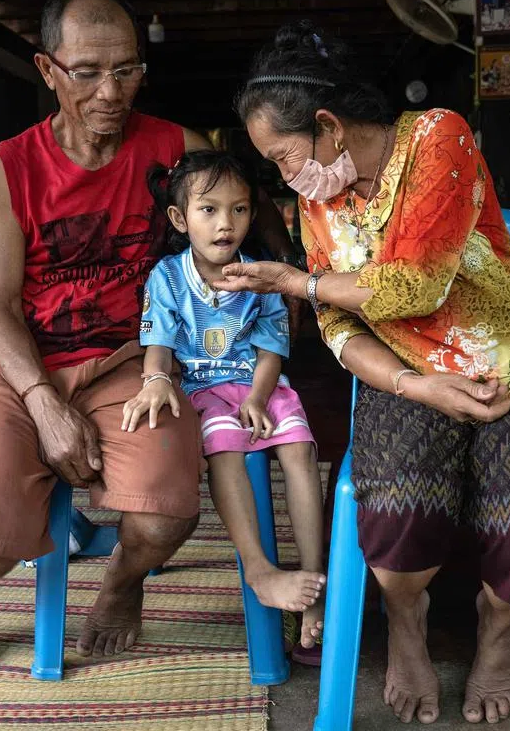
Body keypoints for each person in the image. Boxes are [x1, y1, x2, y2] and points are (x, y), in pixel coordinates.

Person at [216, 23, 510, 725]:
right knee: (393, 516)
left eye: (284, 157)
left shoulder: (436, 138)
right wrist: (415, 385)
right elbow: (338, 327)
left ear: (328, 128)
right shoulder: (315, 207)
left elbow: (414, 285)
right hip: (408, 377)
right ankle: (408, 626)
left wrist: (298, 285)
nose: (283, 176)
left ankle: (499, 631)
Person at [0, 0, 298, 677]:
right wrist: (44, 404)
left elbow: (249, 208)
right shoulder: (9, 168)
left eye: (126, 69)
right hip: (20, 369)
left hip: (134, 359)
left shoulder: (174, 146)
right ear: (47, 70)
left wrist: (290, 278)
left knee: (165, 512)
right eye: (87, 72)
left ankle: (121, 584)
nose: (110, 91)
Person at [122, 150, 328, 658]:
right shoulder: (167, 278)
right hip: (203, 390)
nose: (225, 224)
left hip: (261, 384)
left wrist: (259, 397)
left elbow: (271, 348)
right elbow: (160, 343)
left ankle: (315, 582)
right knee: (226, 446)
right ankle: (259, 567)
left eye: (239, 210)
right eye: (209, 210)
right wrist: (154, 380)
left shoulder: (262, 275)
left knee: (300, 451)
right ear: (179, 218)